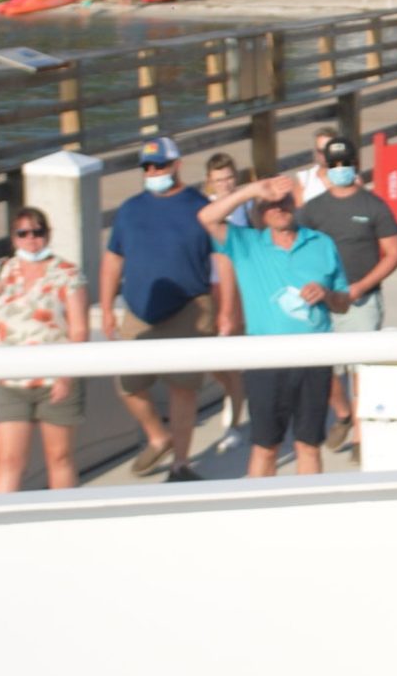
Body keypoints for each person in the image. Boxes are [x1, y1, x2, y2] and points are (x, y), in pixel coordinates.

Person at [198, 176, 351, 477]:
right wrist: (253, 190)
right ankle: (259, 518)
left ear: (295, 205)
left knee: (309, 445)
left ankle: (307, 517)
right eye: (271, 205)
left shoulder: (321, 243)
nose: (279, 209)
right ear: (259, 213)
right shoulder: (246, 244)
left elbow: (344, 302)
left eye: (284, 202)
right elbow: (206, 217)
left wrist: (327, 294)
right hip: (266, 359)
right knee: (266, 446)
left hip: (314, 356)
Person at [102, 136, 218, 483]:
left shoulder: (200, 206)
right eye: (148, 167)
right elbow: (113, 258)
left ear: (177, 165)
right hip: (140, 307)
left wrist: (225, 310)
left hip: (190, 306)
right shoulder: (130, 209)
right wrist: (107, 306)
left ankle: (180, 464)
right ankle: (158, 436)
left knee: (183, 389)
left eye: (161, 166)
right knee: (128, 384)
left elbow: (223, 258)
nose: (154, 172)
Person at [295, 137, 397, 453]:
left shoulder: (373, 205)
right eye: (334, 164)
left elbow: (394, 252)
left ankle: (359, 436)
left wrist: (360, 287)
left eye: (346, 163)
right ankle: (343, 414)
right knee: (324, 368)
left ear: (356, 164)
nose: (340, 169)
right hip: (322, 301)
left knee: (360, 371)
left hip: (361, 300)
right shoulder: (311, 210)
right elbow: (296, 248)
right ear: (326, 169)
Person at [0, 207, 89, 492]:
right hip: (10, 380)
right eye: (23, 233)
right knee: (7, 460)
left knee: (59, 457)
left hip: (55, 380)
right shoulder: (2, 270)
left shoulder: (67, 273)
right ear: (14, 238)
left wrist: (67, 376)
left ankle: (61, 523)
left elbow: (79, 330)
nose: (31, 239)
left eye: (37, 232)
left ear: (47, 235)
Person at [202, 152, 251, 444]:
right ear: (210, 181)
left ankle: (233, 422)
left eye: (230, 178)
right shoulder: (204, 208)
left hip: (241, 287)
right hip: (210, 288)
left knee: (230, 356)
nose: (225, 184)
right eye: (219, 179)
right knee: (210, 359)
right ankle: (236, 393)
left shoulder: (246, 206)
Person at [294, 127, 337, 205]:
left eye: (329, 150)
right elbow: (298, 213)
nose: (325, 154)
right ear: (315, 151)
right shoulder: (303, 179)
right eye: (321, 151)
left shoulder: (350, 178)